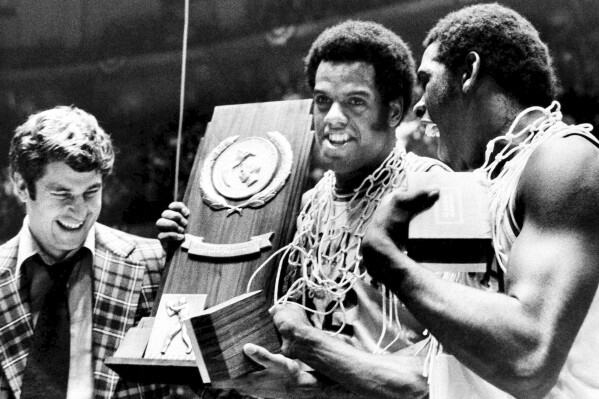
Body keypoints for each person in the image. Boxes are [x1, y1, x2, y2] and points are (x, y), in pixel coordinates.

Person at [158, 20, 463, 398]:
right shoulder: (308, 206)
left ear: (395, 112)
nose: (332, 117)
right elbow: (280, 344)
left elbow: (445, 376)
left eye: (355, 101)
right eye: (322, 101)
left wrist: (306, 357)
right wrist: (186, 261)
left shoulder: (436, 195)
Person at [361, 3, 599, 398]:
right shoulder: (484, 183)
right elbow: (440, 370)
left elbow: (529, 360)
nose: (419, 105)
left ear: (468, 72)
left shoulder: (565, 159)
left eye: (427, 79)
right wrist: (312, 358)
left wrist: (390, 261)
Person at [0, 106, 170, 399]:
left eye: (91, 192)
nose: (80, 212)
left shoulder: (154, 265)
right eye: (62, 194)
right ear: (21, 186)